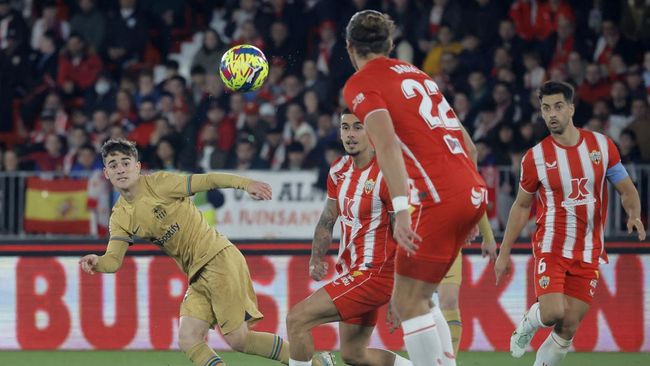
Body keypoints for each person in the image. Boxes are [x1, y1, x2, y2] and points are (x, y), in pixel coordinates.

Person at [78, 139, 333, 366]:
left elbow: (208, 180)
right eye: (113, 165)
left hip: (217, 258)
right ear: (106, 173)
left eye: (125, 162)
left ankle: (317, 363)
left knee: (238, 339)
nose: (120, 169)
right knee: (189, 338)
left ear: (137, 166)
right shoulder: (120, 216)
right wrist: (97, 262)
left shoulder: (161, 183)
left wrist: (246, 184)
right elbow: (113, 260)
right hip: (197, 274)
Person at [342, 10, 489, 366]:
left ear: (350, 48)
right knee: (424, 298)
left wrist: (403, 209)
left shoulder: (360, 84)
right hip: (471, 190)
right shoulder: (418, 74)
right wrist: (469, 209)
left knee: (408, 303)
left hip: (437, 199)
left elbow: (387, 144)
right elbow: (469, 146)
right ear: (390, 44)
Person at [494, 81, 646, 366]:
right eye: (545, 108)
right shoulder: (535, 157)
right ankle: (529, 323)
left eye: (558, 106)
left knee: (567, 328)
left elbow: (626, 189)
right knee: (552, 313)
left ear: (571, 109)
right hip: (552, 246)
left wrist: (634, 214)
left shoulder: (601, 146)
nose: (552, 114)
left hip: (588, 251)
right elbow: (521, 206)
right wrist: (504, 253)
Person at [287, 110, 413, 366]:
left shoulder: (387, 174)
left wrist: (401, 292)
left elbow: (401, 235)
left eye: (358, 127)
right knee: (354, 354)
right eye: (345, 128)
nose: (350, 135)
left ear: (372, 133)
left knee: (297, 319)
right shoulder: (338, 169)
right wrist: (316, 258)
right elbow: (327, 218)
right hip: (353, 272)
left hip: (375, 274)